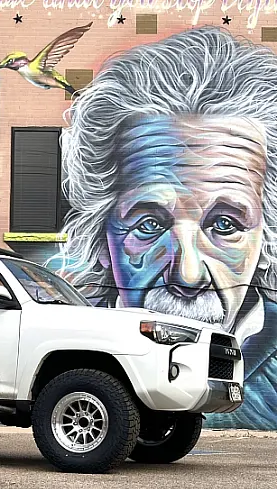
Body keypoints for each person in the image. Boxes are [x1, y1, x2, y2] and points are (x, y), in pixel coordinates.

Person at [49, 27, 277, 429]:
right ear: (102, 236)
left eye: (225, 225)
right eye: (150, 224)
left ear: (266, 240)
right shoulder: (63, 336)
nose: (187, 275)